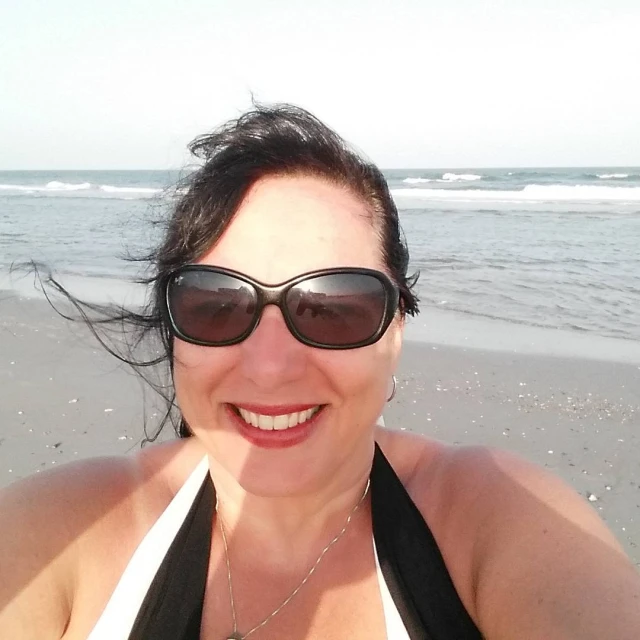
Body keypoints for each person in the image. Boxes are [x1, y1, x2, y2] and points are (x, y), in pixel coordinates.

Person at [1, 104, 639, 640]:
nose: (272, 367)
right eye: (216, 304)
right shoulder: (63, 530)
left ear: (395, 332)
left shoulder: (491, 519)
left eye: (333, 308)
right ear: (175, 332)